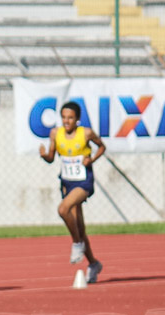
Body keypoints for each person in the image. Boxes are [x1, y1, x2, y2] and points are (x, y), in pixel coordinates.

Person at [39, 101, 105, 283]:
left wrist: (91, 159)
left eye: (70, 118)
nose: (66, 121)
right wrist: (44, 155)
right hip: (67, 182)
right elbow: (52, 158)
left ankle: (77, 244)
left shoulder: (86, 133)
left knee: (62, 209)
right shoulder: (55, 134)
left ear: (77, 119)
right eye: (64, 117)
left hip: (83, 182)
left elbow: (102, 147)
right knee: (79, 227)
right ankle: (93, 263)